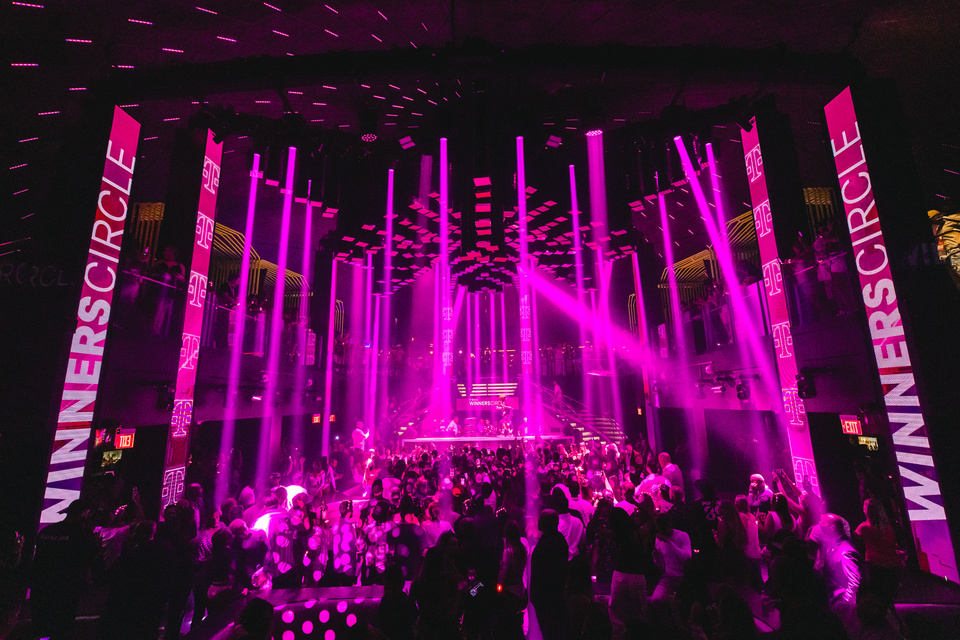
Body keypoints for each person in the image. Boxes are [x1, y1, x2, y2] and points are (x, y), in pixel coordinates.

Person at [29, 500, 102, 640]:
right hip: (65, 590)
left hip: (41, 588)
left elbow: (38, 558)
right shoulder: (84, 535)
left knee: (39, 628)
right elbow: (90, 560)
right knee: (61, 629)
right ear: (84, 513)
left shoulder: (47, 530)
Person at [530, 509, 569, 640]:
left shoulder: (547, 544)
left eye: (541, 519)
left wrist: (535, 597)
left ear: (546, 523)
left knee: (549, 633)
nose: (538, 521)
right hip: (555, 596)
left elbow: (541, 574)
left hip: (546, 598)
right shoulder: (560, 540)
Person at [817, 513, 861, 609]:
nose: (819, 524)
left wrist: (845, 604)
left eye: (823, 523)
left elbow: (854, 582)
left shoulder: (845, 551)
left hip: (840, 603)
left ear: (832, 528)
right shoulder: (833, 544)